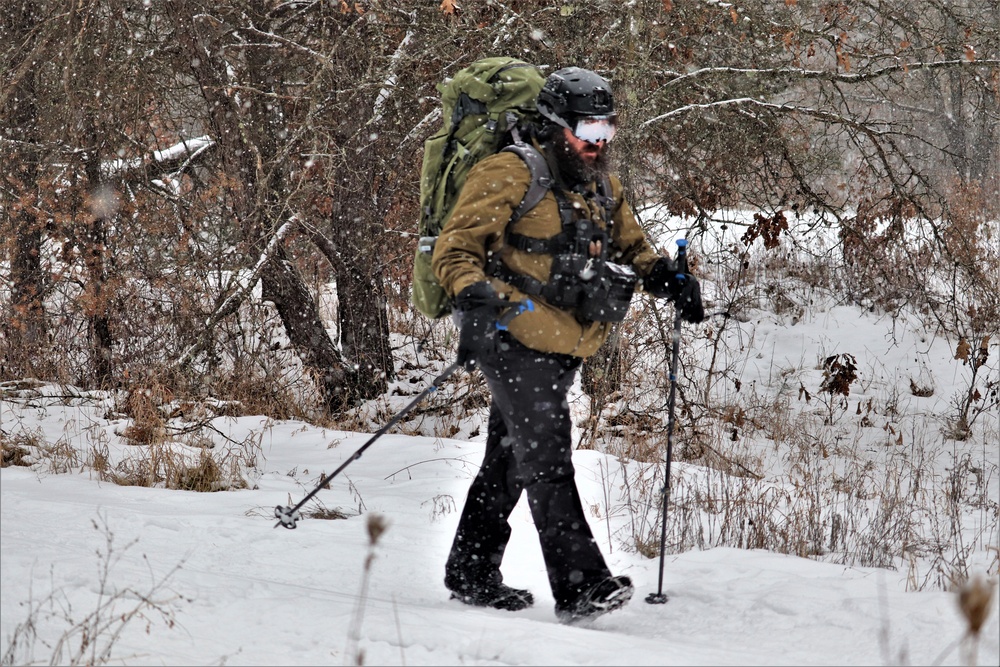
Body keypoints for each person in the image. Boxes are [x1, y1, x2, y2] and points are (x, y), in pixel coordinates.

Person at [431, 66, 704, 623]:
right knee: (548, 455)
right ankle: (581, 586)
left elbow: (634, 248)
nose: (598, 144)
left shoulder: (601, 184)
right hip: (510, 333)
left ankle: (471, 570)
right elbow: (455, 250)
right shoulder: (508, 172)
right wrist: (474, 300)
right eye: (588, 132)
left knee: (508, 460)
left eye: (607, 133)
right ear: (556, 125)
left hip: (563, 343)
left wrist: (669, 279)